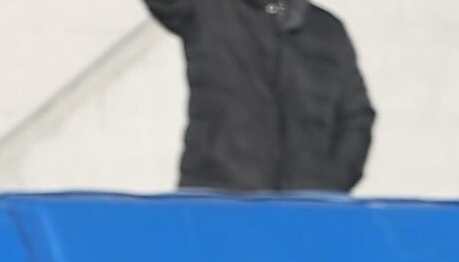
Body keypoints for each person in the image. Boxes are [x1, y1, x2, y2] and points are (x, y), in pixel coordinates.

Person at [145, 0, 375, 193]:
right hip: (217, 201)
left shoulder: (327, 31)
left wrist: (328, 182)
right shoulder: (210, 9)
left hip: (304, 215)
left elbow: (356, 116)